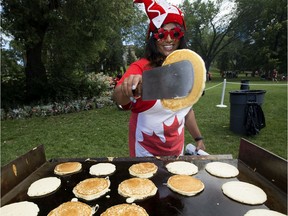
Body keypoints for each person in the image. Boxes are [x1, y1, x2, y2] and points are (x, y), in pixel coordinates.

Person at [113, 0, 205, 157]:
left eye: (175, 33)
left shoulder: (185, 68)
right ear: (153, 38)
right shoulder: (140, 67)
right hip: (144, 150)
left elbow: (186, 109)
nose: (169, 39)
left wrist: (198, 138)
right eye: (161, 34)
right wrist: (126, 88)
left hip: (176, 150)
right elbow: (118, 98)